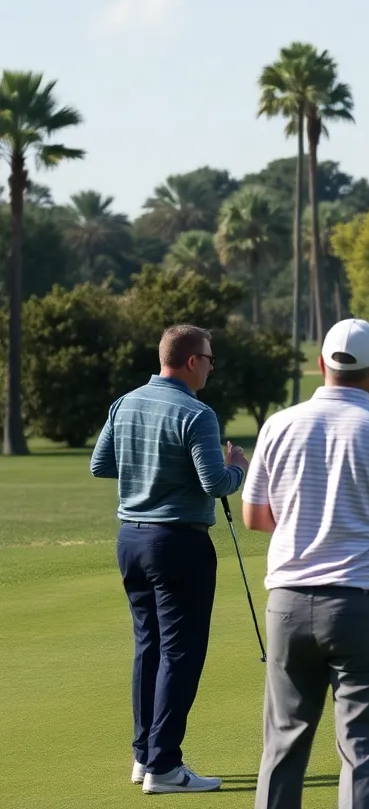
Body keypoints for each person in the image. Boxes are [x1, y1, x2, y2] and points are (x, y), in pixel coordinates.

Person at [241, 318, 369, 809]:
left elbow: (255, 516)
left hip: (287, 604)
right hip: (361, 605)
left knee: (283, 744)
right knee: (363, 750)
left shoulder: (278, 425)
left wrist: (304, 526)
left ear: (320, 364)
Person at [89, 324, 248, 794]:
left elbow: (101, 464)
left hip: (131, 541)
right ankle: (164, 766)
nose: (212, 368)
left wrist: (150, 468)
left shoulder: (125, 403)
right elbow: (215, 483)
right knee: (180, 653)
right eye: (210, 359)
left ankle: (145, 756)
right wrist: (237, 466)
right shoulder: (197, 414)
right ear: (192, 361)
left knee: (150, 647)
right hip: (178, 544)